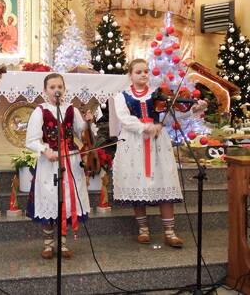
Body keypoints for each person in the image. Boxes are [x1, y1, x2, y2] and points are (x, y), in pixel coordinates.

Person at [110, 59, 207, 248]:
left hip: (157, 143)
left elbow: (171, 117)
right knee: (137, 183)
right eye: (138, 72)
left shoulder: (159, 95)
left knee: (165, 181)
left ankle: (170, 232)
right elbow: (125, 118)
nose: (143, 74)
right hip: (134, 143)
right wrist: (146, 127)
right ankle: (143, 230)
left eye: (146, 71)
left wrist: (193, 110)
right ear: (130, 75)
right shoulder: (121, 96)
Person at [25, 73, 94, 259]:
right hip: (50, 162)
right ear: (45, 91)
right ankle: (48, 244)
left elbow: (82, 134)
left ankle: (63, 243)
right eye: (52, 87)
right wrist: (45, 150)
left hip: (70, 160)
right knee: (50, 199)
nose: (56, 90)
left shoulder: (72, 110)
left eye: (59, 87)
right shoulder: (40, 110)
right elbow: (31, 140)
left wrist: (88, 123)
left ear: (64, 89)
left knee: (67, 200)